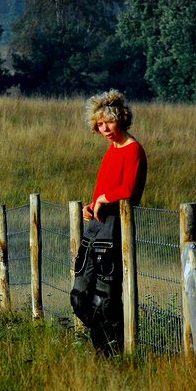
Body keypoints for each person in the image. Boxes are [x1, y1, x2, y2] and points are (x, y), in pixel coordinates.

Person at [70, 89, 147, 356]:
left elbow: (130, 190)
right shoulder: (111, 150)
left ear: (122, 118)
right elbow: (103, 188)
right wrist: (92, 205)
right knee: (79, 297)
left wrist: (105, 198)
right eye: (99, 124)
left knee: (104, 300)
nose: (104, 129)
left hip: (115, 227)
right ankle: (106, 345)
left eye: (109, 122)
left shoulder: (133, 150)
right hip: (95, 227)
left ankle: (113, 354)